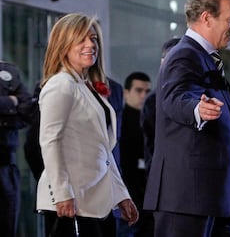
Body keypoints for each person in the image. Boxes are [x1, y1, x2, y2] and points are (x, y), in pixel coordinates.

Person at [143, 0, 230, 237]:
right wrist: (197, 110)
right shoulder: (184, 54)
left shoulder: (205, 57)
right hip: (187, 198)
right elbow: (175, 96)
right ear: (207, 18)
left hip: (208, 196)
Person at [36, 13, 138, 237]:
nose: (90, 44)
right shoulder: (60, 85)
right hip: (72, 204)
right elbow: (49, 142)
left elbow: (104, 148)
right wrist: (63, 193)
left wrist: (122, 195)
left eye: (93, 39)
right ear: (63, 44)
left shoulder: (86, 86)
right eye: (81, 39)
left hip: (96, 203)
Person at [24, 77, 124, 237]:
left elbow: (109, 146)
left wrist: (120, 193)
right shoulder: (56, 85)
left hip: (105, 194)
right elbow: (37, 144)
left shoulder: (114, 88)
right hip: (69, 196)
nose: (90, 51)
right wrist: (58, 186)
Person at [118, 71, 153, 236]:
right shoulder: (118, 121)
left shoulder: (153, 120)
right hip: (126, 193)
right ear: (126, 93)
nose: (143, 95)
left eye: (147, 91)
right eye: (139, 90)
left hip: (148, 194)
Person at [0, 60, 33, 237]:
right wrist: (10, 101)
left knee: (9, 226)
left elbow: (27, 109)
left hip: (6, 166)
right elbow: (17, 105)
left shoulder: (8, 71)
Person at [141, 37, 180, 175]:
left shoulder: (199, 95)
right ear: (163, 63)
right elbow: (152, 144)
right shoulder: (153, 100)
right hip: (164, 174)